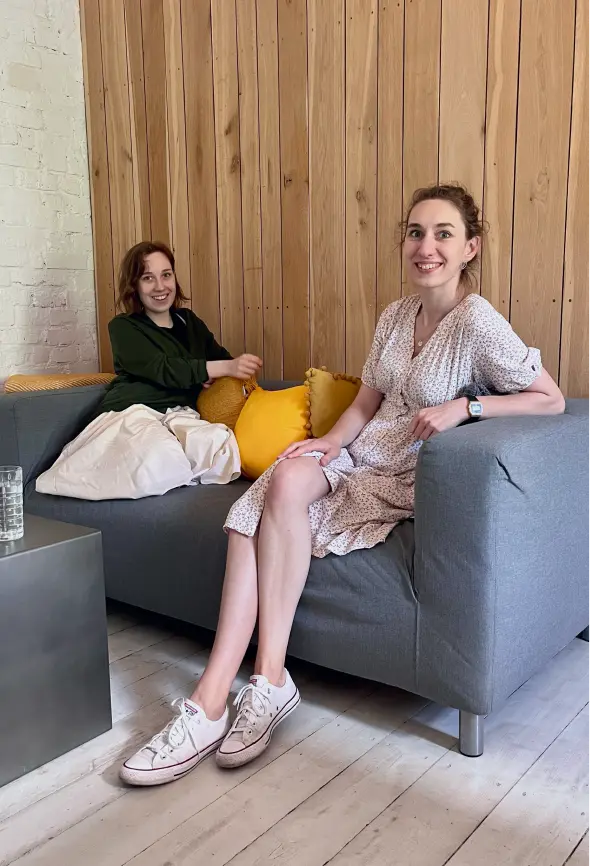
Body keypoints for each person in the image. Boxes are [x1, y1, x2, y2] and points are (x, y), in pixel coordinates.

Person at [120, 184, 565, 786]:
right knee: (276, 487)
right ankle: (222, 695)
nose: (425, 247)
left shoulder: (479, 323)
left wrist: (469, 410)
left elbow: (551, 399)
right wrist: (331, 441)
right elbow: (366, 402)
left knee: (271, 507)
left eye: (442, 234)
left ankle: (241, 687)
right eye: (415, 233)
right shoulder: (393, 315)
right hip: (360, 449)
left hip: (402, 468)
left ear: (469, 248)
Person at [99, 240, 262, 415]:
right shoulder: (123, 327)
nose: (160, 286)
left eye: (166, 275)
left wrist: (216, 372)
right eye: (148, 278)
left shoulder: (189, 321)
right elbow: (163, 368)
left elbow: (221, 360)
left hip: (184, 415)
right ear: (134, 285)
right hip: (132, 413)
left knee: (220, 440)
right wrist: (214, 369)